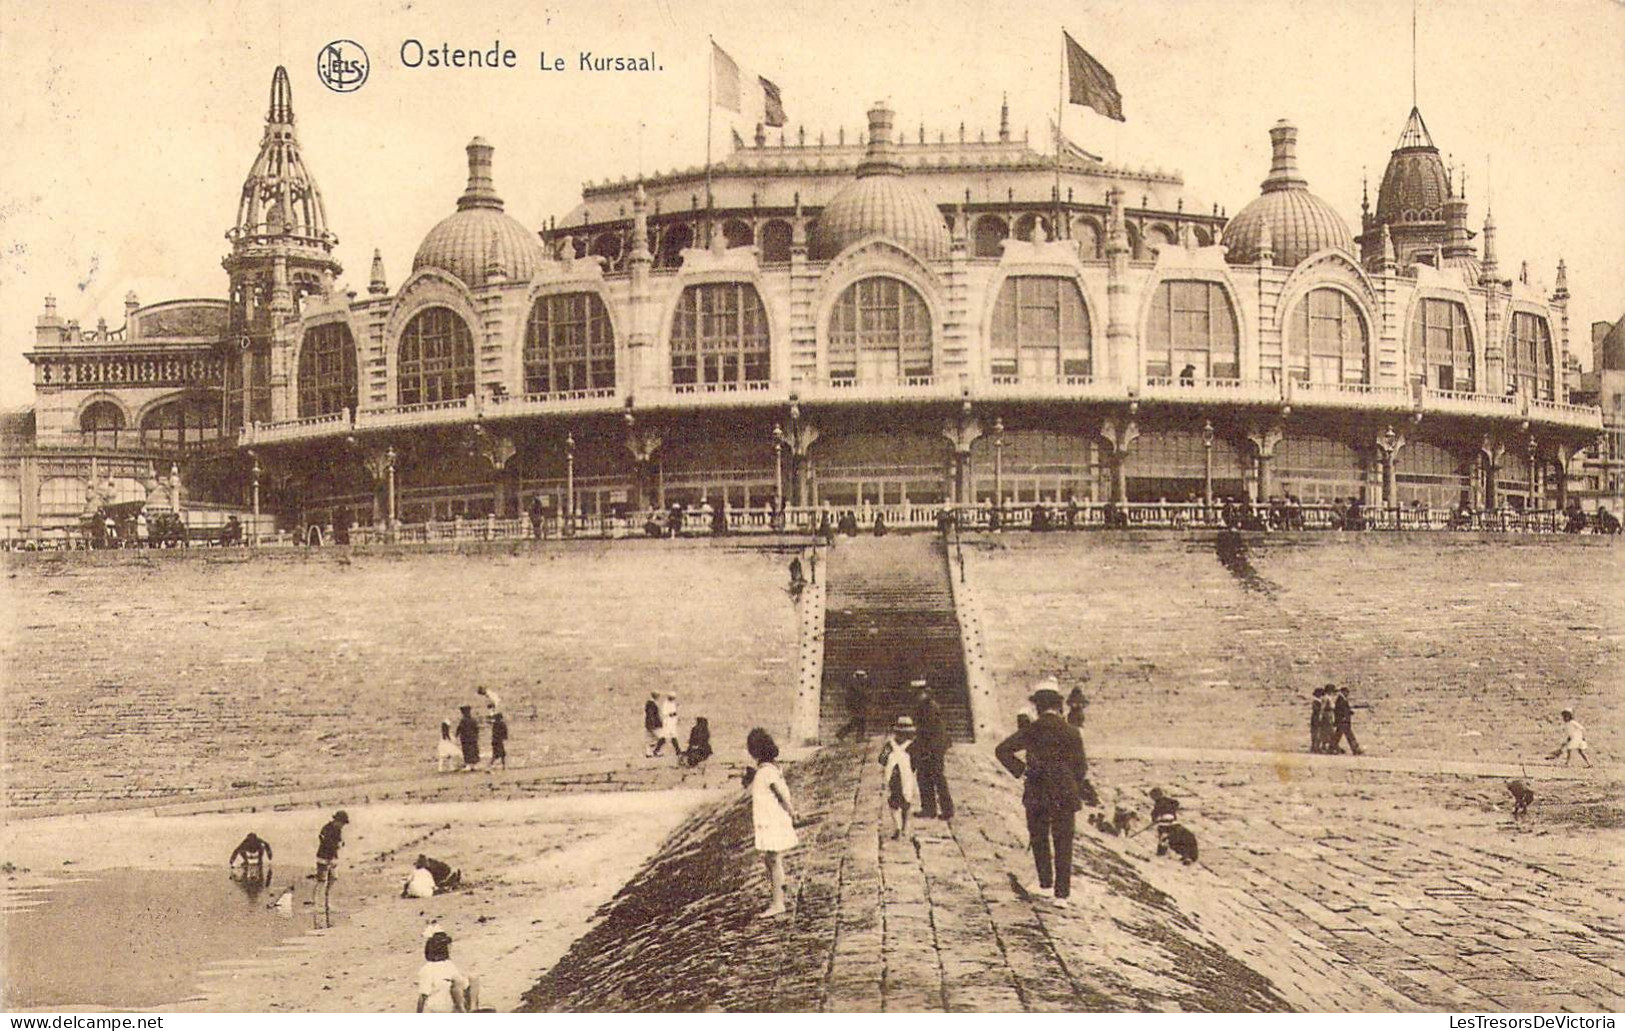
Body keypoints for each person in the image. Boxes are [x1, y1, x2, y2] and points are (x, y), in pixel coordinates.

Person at [994, 685, 1088, 908]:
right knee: (1064, 842)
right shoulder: (1072, 731)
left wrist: (1022, 770)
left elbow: (1002, 750)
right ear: (1058, 706)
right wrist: (1070, 783)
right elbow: (1081, 767)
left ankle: (1045, 883)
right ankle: (1062, 894)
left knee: (1039, 838)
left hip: (1037, 790)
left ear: (1037, 706)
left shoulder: (1032, 729)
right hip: (1064, 793)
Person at [745, 728, 798, 917]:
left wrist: (792, 812)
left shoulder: (767, 771)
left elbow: (781, 794)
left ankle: (778, 903)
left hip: (772, 820)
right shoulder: (769, 769)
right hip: (770, 819)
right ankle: (779, 893)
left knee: (773, 859)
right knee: (771, 859)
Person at [911, 681, 955, 821]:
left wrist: (927, 750)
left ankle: (946, 810)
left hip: (933, 748)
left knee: (936, 777)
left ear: (923, 692)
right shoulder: (925, 706)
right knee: (925, 777)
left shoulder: (929, 707)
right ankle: (929, 809)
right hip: (930, 747)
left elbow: (931, 731)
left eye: (918, 693)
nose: (916, 696)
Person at [416, 930, 480, 1013]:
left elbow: (423, 995)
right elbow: (463, 985)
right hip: (445, 1006)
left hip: (438, 1005)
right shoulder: (448, 965)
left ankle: (470, 1009)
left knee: (462, 981)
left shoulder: (427, 968)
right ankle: (471, 1009)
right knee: (470, 978)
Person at [879, 716, 919, 840]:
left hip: (895, 777)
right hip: (904, 778)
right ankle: (902, 828)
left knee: (895, 802)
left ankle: (899, 827)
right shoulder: (912, 746)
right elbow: (916, 762)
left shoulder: (890, 745)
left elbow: (882, 759)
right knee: (904, 802)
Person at [314, 810, 348, 924]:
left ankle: (327, 902)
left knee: (333, 877)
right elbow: (324, 841)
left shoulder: (338, 830)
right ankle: (319, 906)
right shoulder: (326, 828)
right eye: (342, 823)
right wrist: (336, 845)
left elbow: (338, 841)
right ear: (336, 821)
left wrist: (341, 843)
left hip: (332, 857)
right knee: (322, 881)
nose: (342, 825)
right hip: (323, 857)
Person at [837, 670, 869, 741]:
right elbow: (860, 693)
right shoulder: (855, 684)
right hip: (856, 706)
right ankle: (843, 734)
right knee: (859, 721)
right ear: (859, 676)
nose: (864, 678)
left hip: (858, 706)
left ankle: (842, 734)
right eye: (863, 676)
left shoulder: (857, 683)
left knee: (858, 721)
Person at [1331, 685, 1363, 755]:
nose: (1347, 694)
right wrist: (1344, 716)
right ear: (1343, 692)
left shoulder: (1341, 699)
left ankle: (1332, 748)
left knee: (1338, 736)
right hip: (1343, 721)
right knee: (1349, 735)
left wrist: (1349, 712)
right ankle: (1355, 749)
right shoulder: (1340, 700)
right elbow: (1339, 710)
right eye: (1346, 692)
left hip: (1343, 721)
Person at [456, 705, 481, 772]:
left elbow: (459, 729)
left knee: (467, 751)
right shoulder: (473, 720)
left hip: (465, 739)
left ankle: (469, 764)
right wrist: (476, 736)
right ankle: (474, 764)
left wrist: (456, 735)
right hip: (473, 738)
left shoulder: (463, 721)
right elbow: (477, 729)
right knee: (474, 750)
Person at [660, 692, 682, 760]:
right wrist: (673, 714)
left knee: (673, 736)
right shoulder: (666, 704)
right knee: (665, 736)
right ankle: (656, 750)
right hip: (668, 722)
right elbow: (665, 713)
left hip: (672, 722)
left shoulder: (672, 703)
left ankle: (678, 750)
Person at [644, 691, 666, 757]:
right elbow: (651, 715)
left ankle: (649, 753)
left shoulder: (650, 703)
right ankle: (656, 751)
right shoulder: (651, 704)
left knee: (651, 739)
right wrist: (652, 724)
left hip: (650, 724)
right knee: (662, 738)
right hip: (654, 725)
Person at [1310, 687, 1326, 753]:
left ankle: (1315, 747)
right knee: (1316, 733)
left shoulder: (1317, 701)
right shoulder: (1316, 701)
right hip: (1316, 718)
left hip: (1315, 718)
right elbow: (1317, 710)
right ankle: (1315, 748)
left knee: (1316, 732)